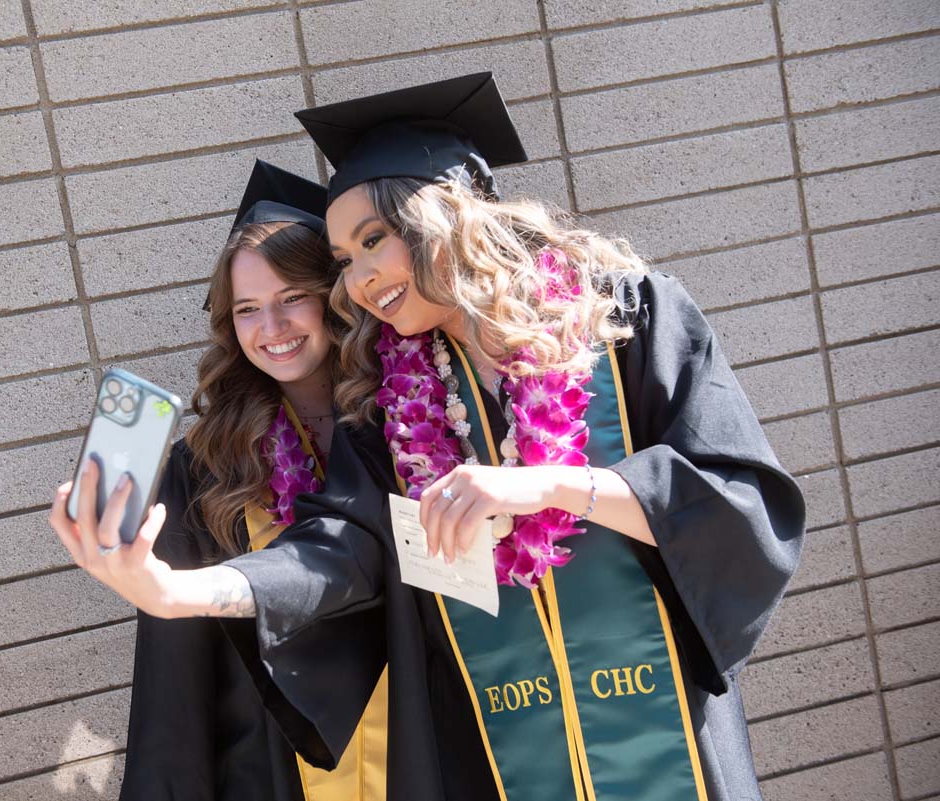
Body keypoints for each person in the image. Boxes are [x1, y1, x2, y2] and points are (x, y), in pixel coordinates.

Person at [59, 75, 806, 801]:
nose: (357, 281)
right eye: (345, 261)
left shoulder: (626, 319)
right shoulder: (390, 405)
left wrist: (550, 484)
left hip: (666, 734)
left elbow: (736, 498)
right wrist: (177, 589)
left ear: (439, 215)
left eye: (372, 240)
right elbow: (339, 549)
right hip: (497, 752)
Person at [49, 161, 388, 800]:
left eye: (292, 298)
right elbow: (176, 675)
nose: (272, 329)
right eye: (248, 309)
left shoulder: (404, 422)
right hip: (274, 762)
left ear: (333, 297)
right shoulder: (208, 463)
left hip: (419, 740)